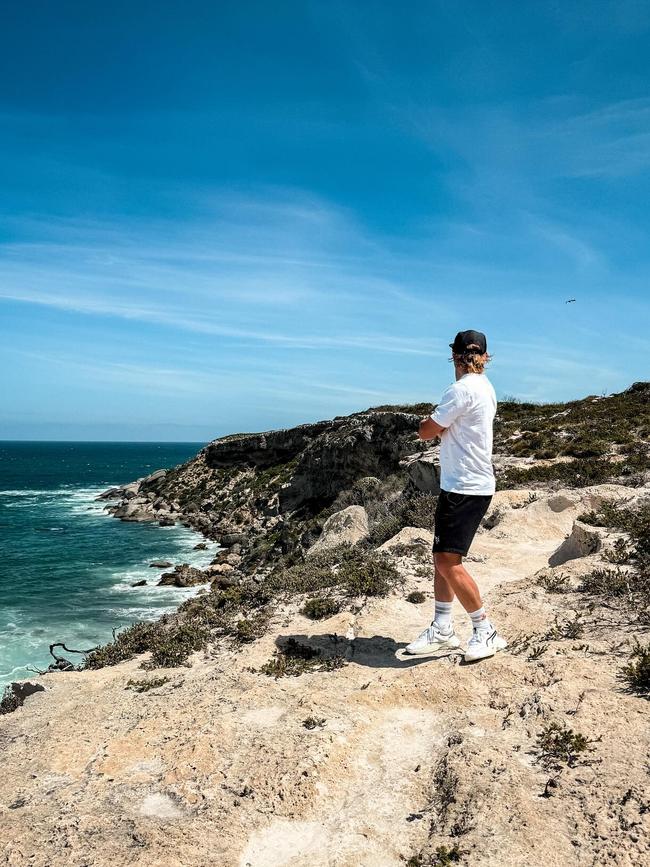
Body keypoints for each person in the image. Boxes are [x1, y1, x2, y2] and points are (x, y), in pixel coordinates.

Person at [404, 329, 507, 662]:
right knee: (442, 558)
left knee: (449, 562)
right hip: (467, 485)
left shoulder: (460, 390)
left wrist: (430, 422)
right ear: (485, 357)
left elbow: (425, 431)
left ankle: (485, 630)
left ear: (454, 356)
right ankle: (443, 627)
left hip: (465, 487)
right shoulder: (486, 388)